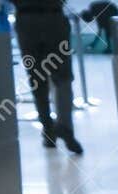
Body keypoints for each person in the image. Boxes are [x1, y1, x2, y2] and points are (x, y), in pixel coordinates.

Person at [11, 0, 82, 153]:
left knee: (37, 80)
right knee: (63, 76)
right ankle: (64, 126)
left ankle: (48, 131)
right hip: (54, 19)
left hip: (27, 21)